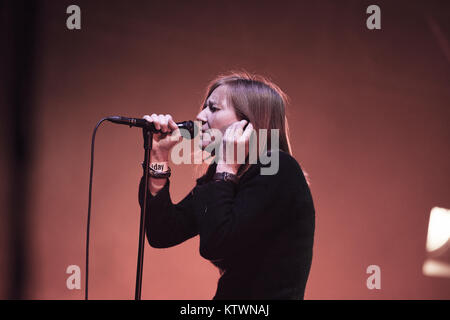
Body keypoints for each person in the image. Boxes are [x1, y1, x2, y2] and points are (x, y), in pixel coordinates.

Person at [138, 72, 315, 300]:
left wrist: (227, 167)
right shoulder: (227, 176)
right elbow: (162, 232)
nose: (200, 116)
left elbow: (217, 243)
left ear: (247, 123)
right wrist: (159, 159)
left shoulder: (279, 168)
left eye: (213, 108)